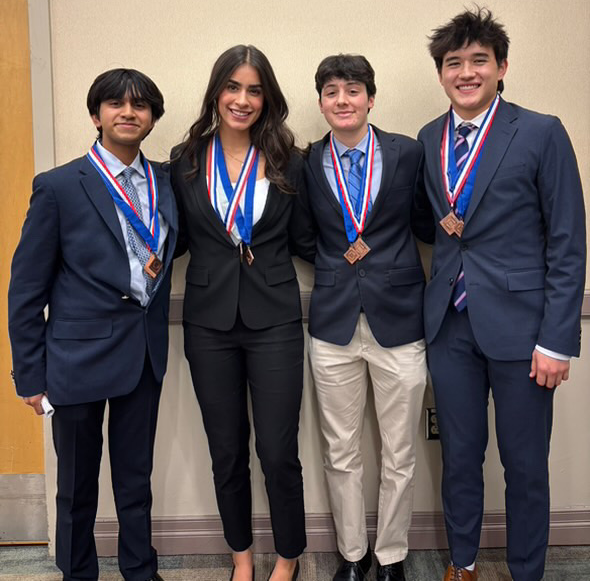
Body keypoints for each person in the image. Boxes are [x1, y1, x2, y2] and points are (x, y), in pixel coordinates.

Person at [418, 8, 586, 581]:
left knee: (524, 465)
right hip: (450, 326)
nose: (466, 72)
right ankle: (461, 564)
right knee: (459, 458)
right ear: (441, 73)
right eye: (453, 63)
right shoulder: (429, 138)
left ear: (502, 66)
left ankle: (525, 573)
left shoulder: (541, 131)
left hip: (524, 331)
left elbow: (567, 243)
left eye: (478, 61)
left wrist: (558, 340)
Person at [8, 68, 177, 581]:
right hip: (75, 359)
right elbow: (26, 288)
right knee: (77, 486)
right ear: (95, 115)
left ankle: (140, 570)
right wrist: (30, 374)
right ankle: (77, 573)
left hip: (143, 352)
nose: (129, 113)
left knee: (135, 480)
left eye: (141, 105)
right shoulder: (59, 186)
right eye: (115, 104)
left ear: (152, 117)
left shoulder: (167, 182)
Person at [170, 45, 315, 581]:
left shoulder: (290, 159)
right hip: (208, 320)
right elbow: (175, 239)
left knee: (278, 452)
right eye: (233, 87)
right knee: (225, 449)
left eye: (254, 90)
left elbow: (304, 238)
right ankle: (241, 557)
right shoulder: (185, 160)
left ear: (266, 97)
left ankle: (289, 556)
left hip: (274, 317)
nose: (242, 99)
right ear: (216, 93)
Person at [304, 54, 434, 581]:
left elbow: (424, 221)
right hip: (333, 324)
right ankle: (353, 556)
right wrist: (336, 264)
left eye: (353, 90)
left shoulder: (407, 153)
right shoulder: (307, 160)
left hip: (400, 321)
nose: (342, 100)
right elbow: (299, 233)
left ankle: (392, 557)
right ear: (321, 103)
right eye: (331, 92)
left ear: (370, 98)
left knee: (400, 450)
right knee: (341, 450)